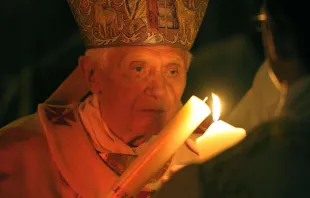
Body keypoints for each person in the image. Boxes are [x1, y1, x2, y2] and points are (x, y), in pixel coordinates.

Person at [0, 0, 209, 197]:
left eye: (172, 71)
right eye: (139, 69)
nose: (160, 90)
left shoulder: (208, 154)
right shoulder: (17, 158)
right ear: (93, 75)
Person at [155, 0, 310, 197]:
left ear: (280, 36)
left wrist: (201, 177)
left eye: (263, 24)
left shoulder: (286, 147)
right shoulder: (270, 83)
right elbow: (236, 131)